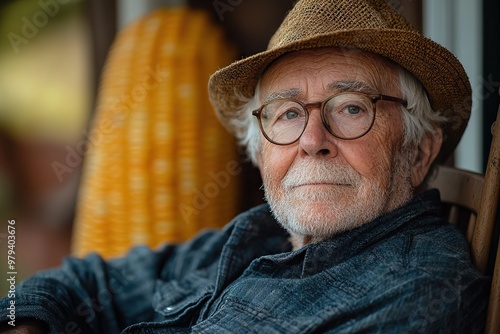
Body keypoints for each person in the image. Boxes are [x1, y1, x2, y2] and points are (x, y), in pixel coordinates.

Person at [0, 0, 490, 332]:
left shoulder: (416, 292)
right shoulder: (249, 237)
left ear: (420, 150)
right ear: (260, 153)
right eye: (288, 114)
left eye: (351, 107)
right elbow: (89, 283)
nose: (312, 141)